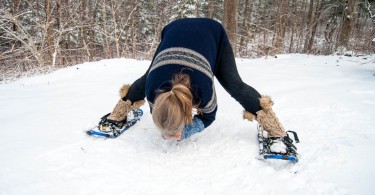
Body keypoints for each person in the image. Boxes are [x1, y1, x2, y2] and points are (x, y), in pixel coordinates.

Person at [102, 18, 297, 154]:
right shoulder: (152, 88)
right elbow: (155, 105)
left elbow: (209, 116)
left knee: (235, 85)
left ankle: (275, 128)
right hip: (173, 31)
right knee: (144, 80)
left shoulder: (203, 89)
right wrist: (170, 128)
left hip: (212, 34)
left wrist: (186, 130)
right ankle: (118, 112)